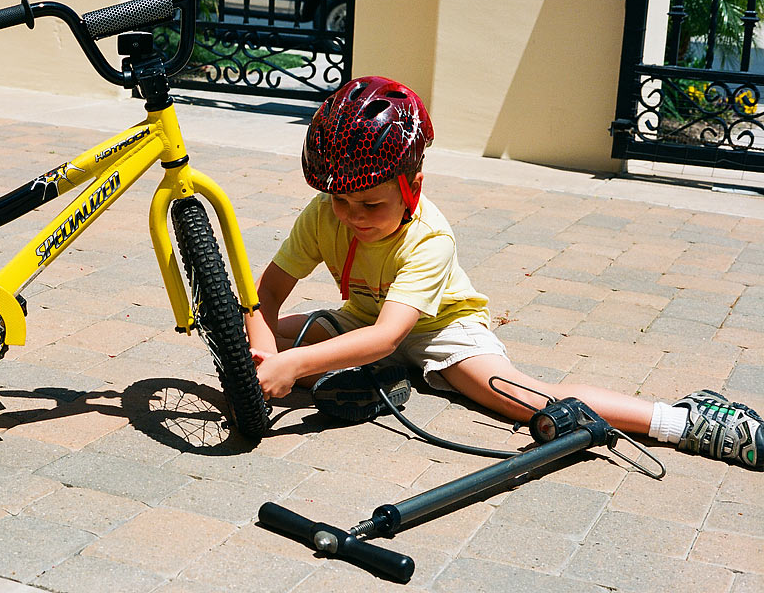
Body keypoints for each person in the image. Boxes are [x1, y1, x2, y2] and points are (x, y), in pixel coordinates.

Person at [244, 75, 764, 470]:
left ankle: (686, 421)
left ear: (413, 185)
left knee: (529, 406)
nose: (352, 216)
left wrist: (295, 366)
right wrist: (264, 355)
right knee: (249, 343)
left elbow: (389, 334)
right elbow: (265, 293)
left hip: (442, 332)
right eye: (339, 200)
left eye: (370, 203)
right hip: (366, 321)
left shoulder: (429, 238)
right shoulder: (324, 214)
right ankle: (383, 377)